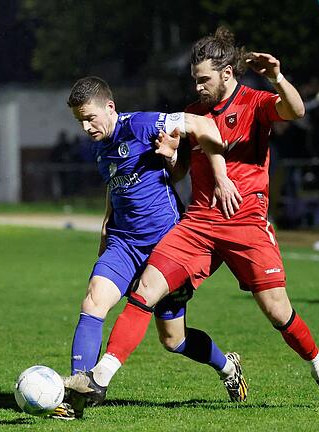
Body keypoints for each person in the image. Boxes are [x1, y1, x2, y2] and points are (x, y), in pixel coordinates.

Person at [63, 27, 319, 416]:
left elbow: (296, 111)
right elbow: (180, 171)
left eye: (204, 80)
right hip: (198, 223)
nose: (198, 87)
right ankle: (98, 380)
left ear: (228, 74)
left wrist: (278, 79)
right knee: (145, 290)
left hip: (245, 222)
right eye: (194, 80)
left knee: (277, 310)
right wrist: (170, 158)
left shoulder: (254, 102)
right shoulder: (192, 113)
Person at [55, 76, 247, 419]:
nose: (86, 127)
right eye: (79, 121)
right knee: (93, 300)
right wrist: (105, 223)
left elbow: (201, 123)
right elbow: (116, 184)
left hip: (167, 246)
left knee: (173, 339)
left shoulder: (141, 124)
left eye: (89, 117)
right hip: (123, 243)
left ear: (110, 108)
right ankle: (77, 393)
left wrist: (220, 176)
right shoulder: (101, 146)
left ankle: (227, 366)